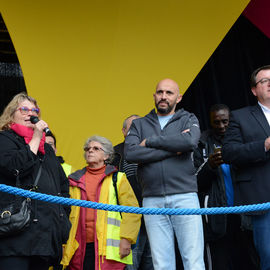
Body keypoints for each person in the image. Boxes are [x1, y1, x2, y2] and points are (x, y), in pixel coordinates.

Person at [125, 78, 205, 270]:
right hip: (152, 198)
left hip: (185, 195)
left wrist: (150, 141)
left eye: (169, 93)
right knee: (161, 263)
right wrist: (172, 148)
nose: (163, 96)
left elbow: (190, 143)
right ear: (154, 95)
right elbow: (131, 153)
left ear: (179, 97)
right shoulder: (139, 124)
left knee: (193, 260)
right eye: (160, 92)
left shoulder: (189, 118)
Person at [0, 93, 71, 270]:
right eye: (24, 109)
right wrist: (36, 137)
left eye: (34, 110)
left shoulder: (47, 149)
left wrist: (62, 220)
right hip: (16, 236)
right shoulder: (5, 139)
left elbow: (61, 186)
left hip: (46, 237)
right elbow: (15, 167)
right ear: (11, 113)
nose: (30, 113)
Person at [194, 104, 259, 270]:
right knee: (220, 264)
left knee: (252, 261)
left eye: (225, 121)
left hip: (246, 212)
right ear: (210, 123)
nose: (222, 126)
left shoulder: (243, 138)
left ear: (231, 121)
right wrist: (210, 165)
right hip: (218, 214)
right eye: (217, 122)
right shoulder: (201, 144)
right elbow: (193, 184)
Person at [61, 135, 141, 270]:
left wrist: (127, 239)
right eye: (87, 148)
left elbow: (132, 212)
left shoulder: (118, 178)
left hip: (108, 252)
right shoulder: (73, 180)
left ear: (106, 156)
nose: (90, 151)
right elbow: (64, 214)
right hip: (78, 248)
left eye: (96, 148)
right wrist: (63, 244)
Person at [222, 65, 270, 270]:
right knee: (268, 255)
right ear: (253, 90)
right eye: (265, 80)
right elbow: (229, 153)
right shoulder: (240, 116)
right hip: (262, 198)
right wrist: (264, 146)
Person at [113, 115, 154, 270]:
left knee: (153, 264)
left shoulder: (154, 151)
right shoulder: (114, 154)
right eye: (133, 127)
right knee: (131, 264)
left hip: (153, 217)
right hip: (129, 220)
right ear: (124, 131)